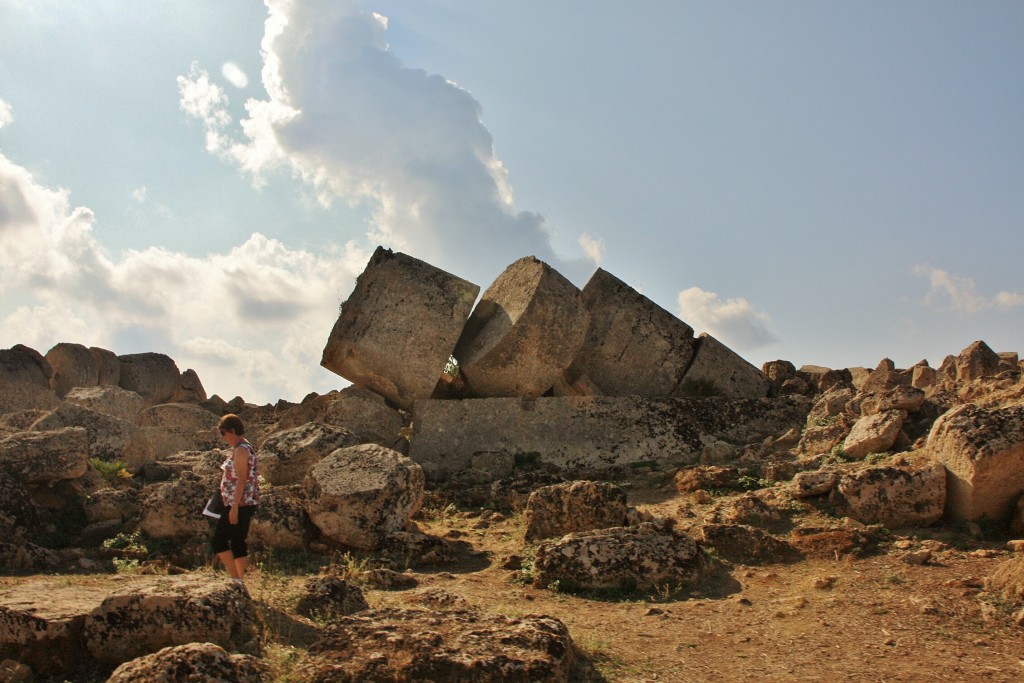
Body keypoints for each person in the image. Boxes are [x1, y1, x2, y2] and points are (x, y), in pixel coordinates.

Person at [212, 413, 260, 584]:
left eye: (223, 433)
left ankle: (235, 579)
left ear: (232, 430)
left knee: (219, 541)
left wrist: (234, 507)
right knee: (238, 541)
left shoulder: (241, 450)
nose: (223, 438)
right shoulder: (245, 446)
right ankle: (239, 581)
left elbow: (241, 479)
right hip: (243, 502)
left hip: (239, 503)